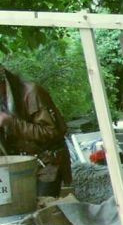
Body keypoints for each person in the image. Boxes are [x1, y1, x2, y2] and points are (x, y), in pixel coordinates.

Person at [0, 64, 71, 197]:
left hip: (47, 163)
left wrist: (11, 123)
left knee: (44, 207)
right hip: (17, 167)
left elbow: (51, 131)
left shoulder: (32, 92)